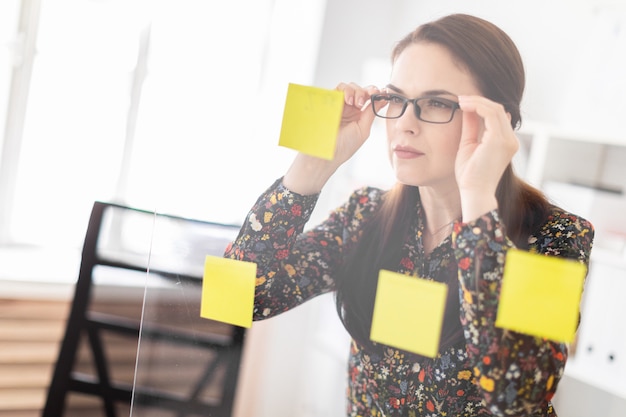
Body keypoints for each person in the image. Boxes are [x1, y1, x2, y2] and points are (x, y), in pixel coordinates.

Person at [224, 13, 594, 417]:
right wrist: (312, 165)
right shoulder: (365, 215)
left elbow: (517, 397)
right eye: (396, 99)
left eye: (436, 103)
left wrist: (476, 200)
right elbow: (237, 299)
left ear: (497, 120)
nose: (404, 123)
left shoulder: (554, 236)